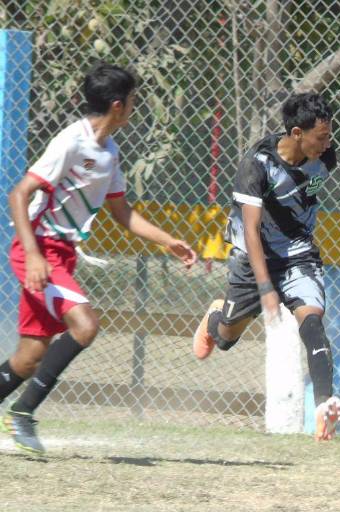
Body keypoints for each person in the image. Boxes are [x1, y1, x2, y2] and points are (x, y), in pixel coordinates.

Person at [1, 62, 197, 454]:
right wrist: (37, 257)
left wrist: (167, 240)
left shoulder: (109, 150)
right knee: (86, 325)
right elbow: (18, 195)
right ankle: (22, 415)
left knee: (29, 358)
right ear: (118, 105)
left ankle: (19, 408)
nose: (136, 107)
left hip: (61, 255)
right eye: (134, 101)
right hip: (37, 250)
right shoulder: (71, 142)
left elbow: (122, 212)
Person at [193, 92, 340, 441]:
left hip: (298, 255)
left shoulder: (324, 158)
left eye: (329, 135)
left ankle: (324, 406)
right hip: (254, 255)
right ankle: (217, 317)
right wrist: (265, 289)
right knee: (227, 337)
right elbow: (251, 230)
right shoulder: (257, 164)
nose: (327, 144)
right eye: (320, 137)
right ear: (295, 133)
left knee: (313, 321)